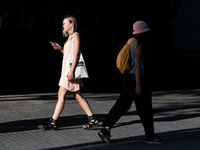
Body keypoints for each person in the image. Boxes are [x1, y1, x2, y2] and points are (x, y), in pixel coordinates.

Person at [98, 21, 164, 144]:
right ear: (143, 33)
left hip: (127, 78)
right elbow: (137, 66)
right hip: (137, 79)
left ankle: (106, 129)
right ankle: (150, 136)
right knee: (145, 109)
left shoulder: (130, 41)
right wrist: (138, 85)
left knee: (122, 105)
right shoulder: (139, 44)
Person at [38, 15, 98, 130]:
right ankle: (92, 118)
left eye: (65, 23)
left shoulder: (75, 35)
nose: (63, 25)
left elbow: (76, 54)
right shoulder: (70, 37)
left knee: (62, 94)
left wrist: (71, 71)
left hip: (69, 72)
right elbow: (69, 56)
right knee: (77, 95)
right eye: (63, 24)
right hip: (66, 70)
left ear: (71, 24)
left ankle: (53, 122)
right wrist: (60, 49)